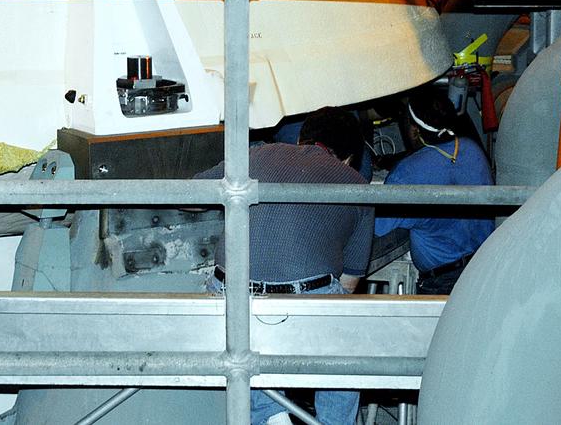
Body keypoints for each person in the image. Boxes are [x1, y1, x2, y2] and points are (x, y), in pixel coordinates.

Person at [195, 106, 375, 425]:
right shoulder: (357, 185)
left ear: (302, 137)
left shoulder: (256, 155)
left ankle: (270, 414)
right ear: (349, 156)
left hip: (231, 296)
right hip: (305, 298)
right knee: (347, 344)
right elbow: (348, 283)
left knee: (242, 342)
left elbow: (190, 194)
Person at [374, 87, 495, 295]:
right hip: (484, 271)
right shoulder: (471, 150)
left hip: (443, 284)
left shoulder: (408, 172)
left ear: (414, 129)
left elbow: (377, 228)